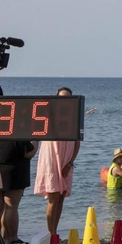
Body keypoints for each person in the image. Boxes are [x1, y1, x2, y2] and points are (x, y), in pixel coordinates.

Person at [33, 86, 79, 236]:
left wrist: (70, 162)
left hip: (67, 160)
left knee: (61, 197)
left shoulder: (74, 118)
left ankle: (55, 230)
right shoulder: (48, 116)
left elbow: (77, 143)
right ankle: (50, 232)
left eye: (68, 98)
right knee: (53, 196)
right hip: (51, 159)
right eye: (62, 97)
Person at [0, 137, 36, 243]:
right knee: (11, 207)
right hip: (14, 172)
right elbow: (29, 153)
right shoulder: (17, 135)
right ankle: (11, 237)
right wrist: (37, 141)